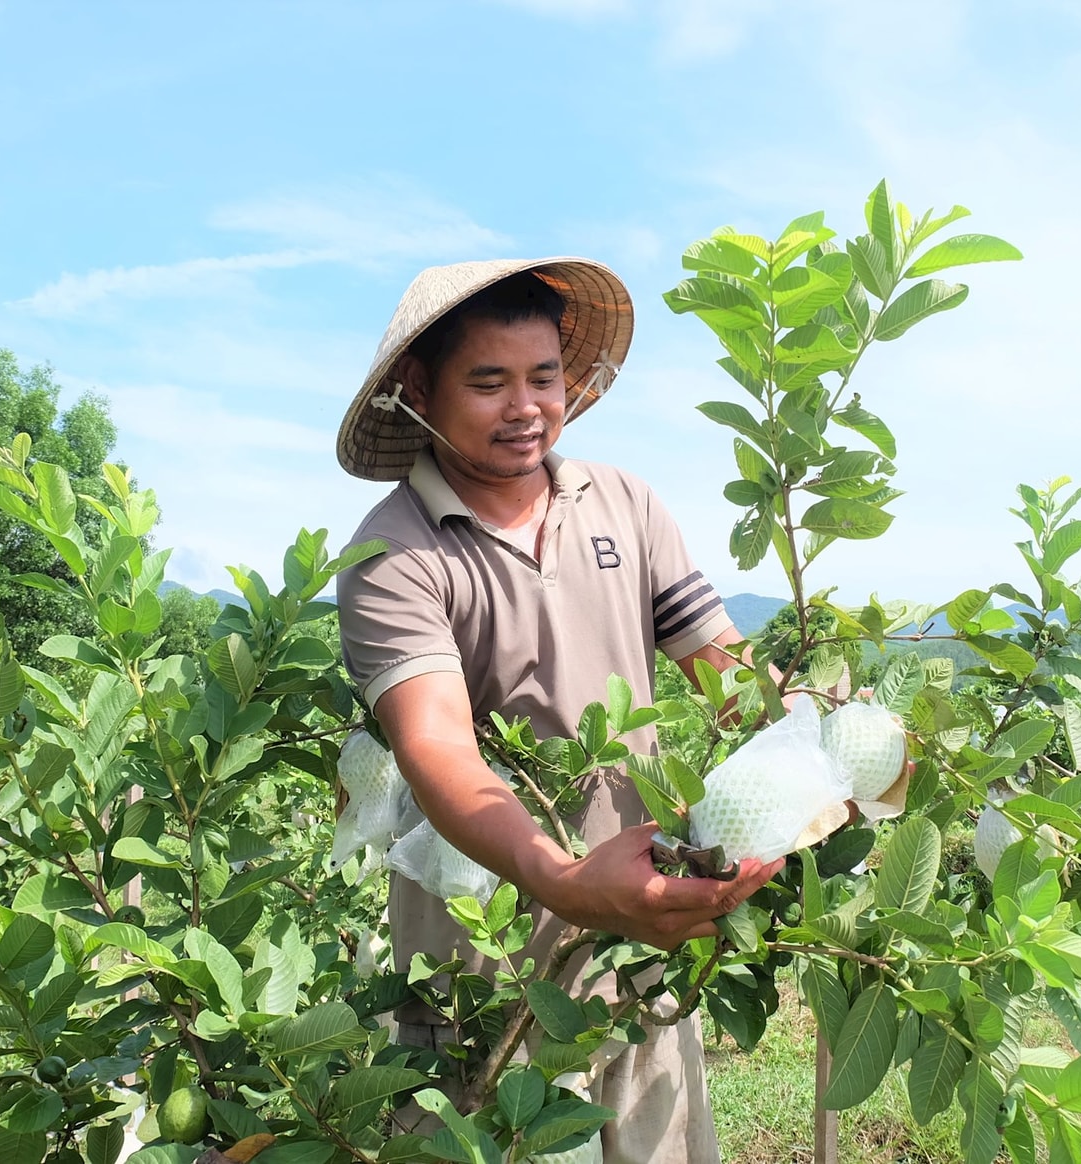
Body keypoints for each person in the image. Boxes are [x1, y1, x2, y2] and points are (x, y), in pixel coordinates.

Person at [334, 257, 780, 1164]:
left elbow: (726, 669)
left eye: (543, 378)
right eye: (487, 382)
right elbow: (439, 749)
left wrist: (817, 739)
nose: (525, 406)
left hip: (634, 948)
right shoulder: (395, 557)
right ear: (420, 390)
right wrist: (560, 876)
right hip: (479, 975)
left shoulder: (625, 502)